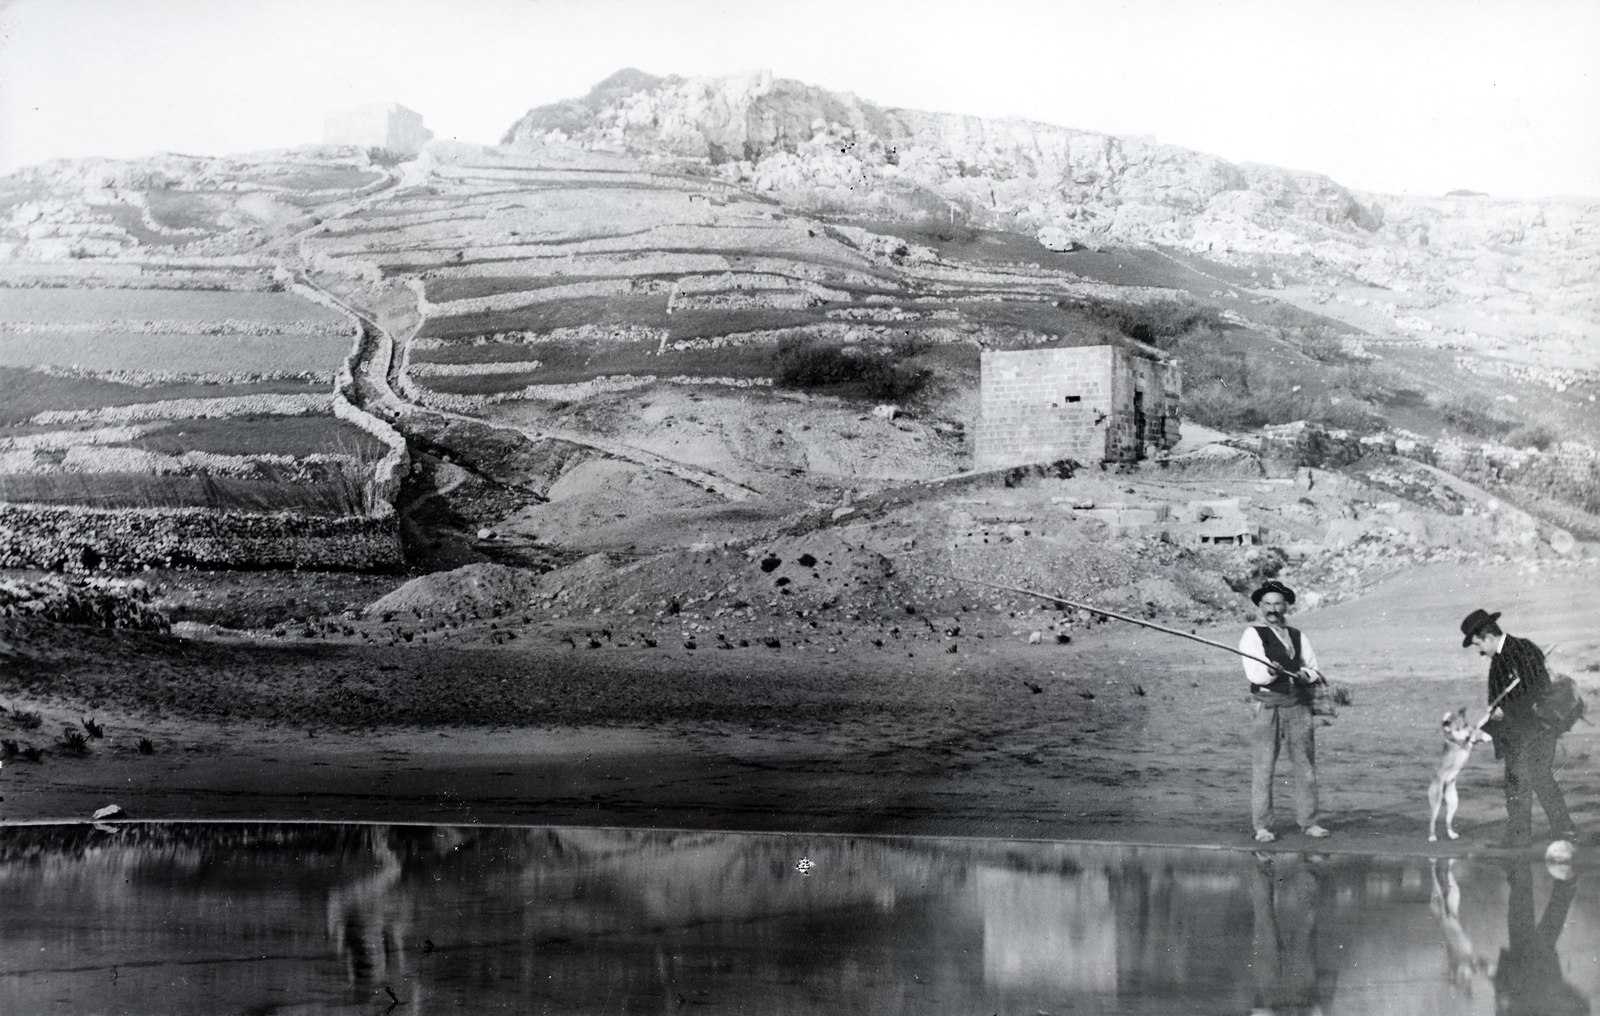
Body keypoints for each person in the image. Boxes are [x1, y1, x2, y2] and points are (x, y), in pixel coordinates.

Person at [1460, 609, 1578, 848]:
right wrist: (1493, 718)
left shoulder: (1522, 649)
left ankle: (1520, 838)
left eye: (1478, 645)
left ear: (1488, 637)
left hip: (1532, 730)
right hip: (1524, 730)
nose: (1480, 651)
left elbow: (1540, 689)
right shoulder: (1503, 656)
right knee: (1538, 778)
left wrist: (1504, 712)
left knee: (1518, 782)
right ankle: (1564, 830)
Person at [1241, 580, 1329, 843]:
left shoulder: (1298, 636)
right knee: (1263, 767)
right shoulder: (1253, 635)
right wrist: (1270, 671)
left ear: (1286, 606)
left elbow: (1313, 667)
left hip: (1297, 705)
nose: (1273, 609)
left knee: (1305, 766)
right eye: (1267, 604)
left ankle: (1309, 822)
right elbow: (1254, 671)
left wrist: (1304, 674)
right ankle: (1263, 826)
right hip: (1267, 707)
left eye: (1278, 604)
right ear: (1260, 606)